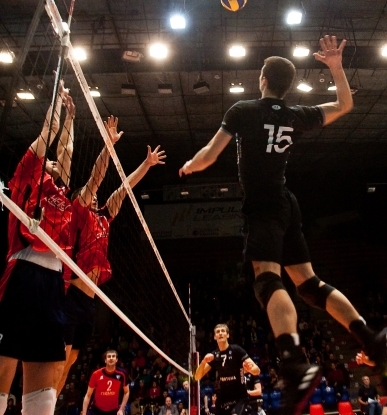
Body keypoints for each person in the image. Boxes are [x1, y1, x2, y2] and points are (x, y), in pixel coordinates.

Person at [179, 36, 383, 415]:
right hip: (287, 201)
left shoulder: (243, 111)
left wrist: (190, 166)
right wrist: (336, 67)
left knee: (266, 280)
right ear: (286, 86)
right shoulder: (294, 115)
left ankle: (293, 362)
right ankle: (371, 337)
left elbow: (210, 155)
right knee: (308, 284)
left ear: (261, 79)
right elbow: (346, 104)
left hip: (263, 204)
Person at [58, 121, 166, 394]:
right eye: (88, 195)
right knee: (61, 358)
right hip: (71, 296)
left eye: (93, 197)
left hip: (89, 303)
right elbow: (96, 179)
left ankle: (51, 404)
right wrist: (108, 146)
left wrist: (146, 164)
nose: (93, 197)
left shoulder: (104, 218)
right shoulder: (79, 212)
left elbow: (125, 188)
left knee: (70, 362)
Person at [0, 80, 75, 415]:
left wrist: (72, 120)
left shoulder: (60, 192)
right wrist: (57, 111)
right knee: (6, 361)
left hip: (54, 281)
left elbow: (67, 154)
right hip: (25, 271)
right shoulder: (27, 175)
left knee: (44, 374)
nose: (56, 164)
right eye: (52, 162)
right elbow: (48, 134)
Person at [195, 324, 261, 415]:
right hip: (223, 397)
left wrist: (249, 369)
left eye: (223, 331)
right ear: (214, 337)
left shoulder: (237, 350)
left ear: (228, 335)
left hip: (239, 396)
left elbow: (257, 371)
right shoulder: (214, 355)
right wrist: (203, 361)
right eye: (218, 332)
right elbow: (197, 377)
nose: (220, 333)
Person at [82, 350, 129, 415]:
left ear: (116, 360)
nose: (111, 358)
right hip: (96, 409)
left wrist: (121, 409)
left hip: (113, 410)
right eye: (109, 356)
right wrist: (84, 413)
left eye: (113, 356)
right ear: (105, 360)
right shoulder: (96, 374)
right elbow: (88, 395)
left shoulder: (122, 374)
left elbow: (126, 392)